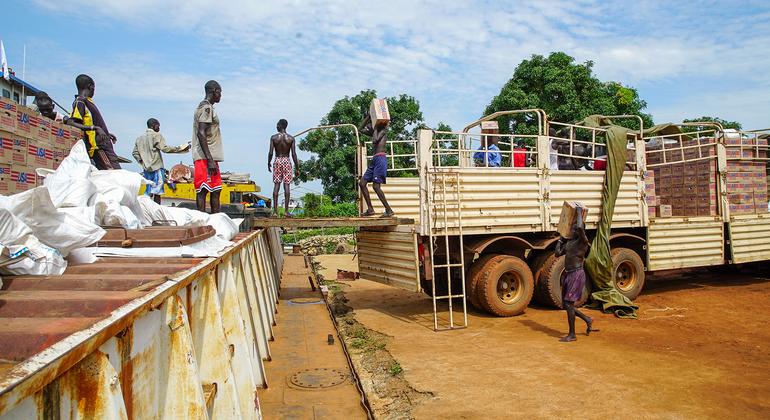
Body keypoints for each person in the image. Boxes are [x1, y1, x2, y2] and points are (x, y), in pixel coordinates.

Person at [554, 206, 596, 342]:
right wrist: (560, 238)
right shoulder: (570, 243)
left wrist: (578, 212)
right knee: (566, 305)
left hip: (576, 274)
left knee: (568, 304)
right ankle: (587, 319)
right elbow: (557, 253)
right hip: (567, 274)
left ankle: (572, 335)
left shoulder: (583, 242)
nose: (573, 229)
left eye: (575, 227)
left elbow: (579, 228)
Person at [66, 74, 120, 170]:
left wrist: (106, 133)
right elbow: (71, 122)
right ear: (90, 86)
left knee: (114, 172)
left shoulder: (88, 102)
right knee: (113, 173)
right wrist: (95, 128)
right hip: (98, 147)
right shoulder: (80, 101)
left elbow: (91, 121)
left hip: (104, 144)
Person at [132, 118, 190, 204]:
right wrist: (180, 148)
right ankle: (157, 211)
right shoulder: (157, 135)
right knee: (157, 192)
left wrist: (142, 162)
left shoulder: (139, 138)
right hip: (157, 168)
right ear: (154, 125)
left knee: (148, 191)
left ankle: (146, 210)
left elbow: (134, 153)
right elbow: (165, 149)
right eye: (158, 126)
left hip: (146, 169)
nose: (159, 128)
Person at [192, 80, 224, 213]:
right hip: (205, 157)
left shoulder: (207, 108)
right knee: (203, 190)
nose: (220, 96)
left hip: (210, 156)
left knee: (216, 189)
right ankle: (203, 222)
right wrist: (209, 159)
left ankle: (216, 221)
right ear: (214, 91)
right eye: (220, 93)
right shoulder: (206, 108)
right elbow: (201, 133)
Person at [358, 111, 394, 217]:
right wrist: (368, 117)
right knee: (362, 183)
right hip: (374, 160)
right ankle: (370, 209)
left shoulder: (382, 130)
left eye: (370, 124)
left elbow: (374, 140)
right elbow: (359, 129)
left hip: (380, 159)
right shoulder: (375, 131)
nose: (368, 127)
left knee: (376, 187)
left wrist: (376, 127)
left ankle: (389, 210)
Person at [267, 119, 299, 217]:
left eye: (277, 125)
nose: (276, 126)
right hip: (286, 161)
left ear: (281, 125)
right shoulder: (291, 138)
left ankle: (275, 212)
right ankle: (286, 211)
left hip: (277, 160)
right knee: (287, 185)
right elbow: (293, 154)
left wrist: (268, 162)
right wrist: (297, 167)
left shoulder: (273, 137)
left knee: (277, 185)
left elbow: (271, 152)